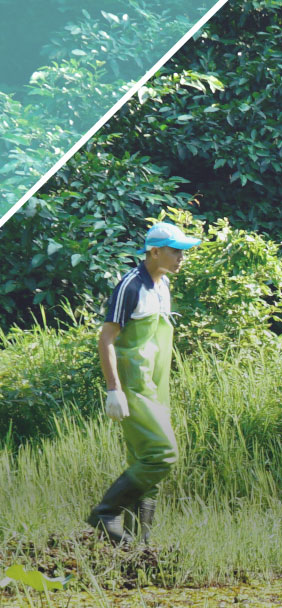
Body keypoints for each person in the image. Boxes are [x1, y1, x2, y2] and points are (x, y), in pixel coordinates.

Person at [88, 220, 201, 548]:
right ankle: (105, 513)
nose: (181, 257)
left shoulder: (162, 285)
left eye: (183, 251)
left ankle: (140, 549)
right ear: (154, 251)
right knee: (162, 455)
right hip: (134, 386)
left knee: (145, 464)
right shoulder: (131, 285)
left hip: (156, 386)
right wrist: (114, 389)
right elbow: (106, 338)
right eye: (176, 251)